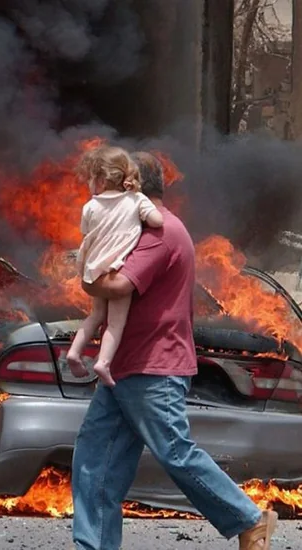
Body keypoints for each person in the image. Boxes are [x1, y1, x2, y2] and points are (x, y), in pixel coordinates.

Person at [70, 151, 278, 550]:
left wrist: (85, 276)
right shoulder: (139, 228)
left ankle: (249, 519)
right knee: (95, 461)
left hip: (154, 367)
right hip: (126, 368)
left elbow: (117, 287)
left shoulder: (160, 235)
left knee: (175, 452)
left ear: (132, 187)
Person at [66, 146, 164, 387]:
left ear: (100, 179)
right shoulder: (136, 200)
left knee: (96, 315)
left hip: (93, 273)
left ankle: (74, 352)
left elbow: (86, 233)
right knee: (115, 322)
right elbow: (158, 220)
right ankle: (104, 362)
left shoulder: (90, 206)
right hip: (117, 273)